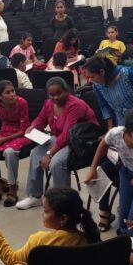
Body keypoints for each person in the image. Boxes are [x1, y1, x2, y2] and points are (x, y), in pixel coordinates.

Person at [16, 77, 98, 209]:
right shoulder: (48, 104)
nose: (55, 97)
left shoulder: (75, 105)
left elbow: (67, 135)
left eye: (59, 93)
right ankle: (35, 196)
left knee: (57, 162)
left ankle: (65, 203)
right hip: (60, 138)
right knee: (35, 153)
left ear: (67, 91)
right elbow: (41, 119)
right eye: (51, 94)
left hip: (79, 142)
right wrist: (33, 126)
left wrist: (49, 154)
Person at [0, 79, 31, 207]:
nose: (12, 94)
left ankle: (12, 189)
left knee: (9, 152)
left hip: (20, 134)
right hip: (4, 132)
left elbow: (24, 130)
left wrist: (3, 140)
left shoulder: (21, 103)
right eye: (7, 92)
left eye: (13, 91)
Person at [84, 55, 133, 130]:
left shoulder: (128, 74)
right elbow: (104, 106)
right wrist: (110, 129)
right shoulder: (97, 85)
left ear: (102, 72)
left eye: (92, 77)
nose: (90, 80)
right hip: (124, 123)